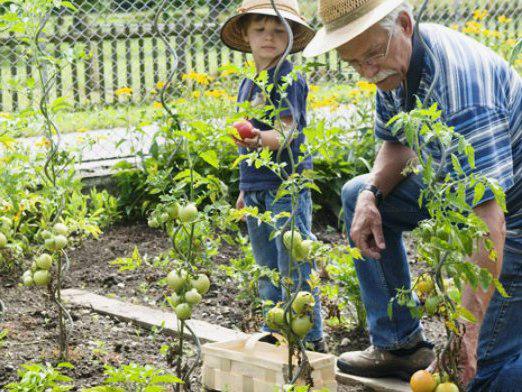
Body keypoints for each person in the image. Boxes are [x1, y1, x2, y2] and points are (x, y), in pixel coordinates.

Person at [304, 0, 521, 388]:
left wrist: (464, 336)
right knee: (358, 194)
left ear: (404, 24)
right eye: (354, 63)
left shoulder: (463, 92)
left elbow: (491, 223)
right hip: (460, 192)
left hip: (513, 215)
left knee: (481, 375)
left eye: (371, 55)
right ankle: (400, 346)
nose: (368, 72)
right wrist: (372, 194)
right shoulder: (394, 67)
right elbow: (398, 144)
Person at [220, 0, 326, 351]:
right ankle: (276, 335)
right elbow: (245, 148)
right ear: (246, 36)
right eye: (261, 29)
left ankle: (309, 339)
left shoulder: (287, 76)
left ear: (292, 36)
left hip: (286, 186)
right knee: (266, 267)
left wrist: (254, 138)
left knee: (293, 263)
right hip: (257, 190)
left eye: (279, 29)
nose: (270, 36)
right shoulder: (250, 81)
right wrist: (244, 189)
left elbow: (286, 132)